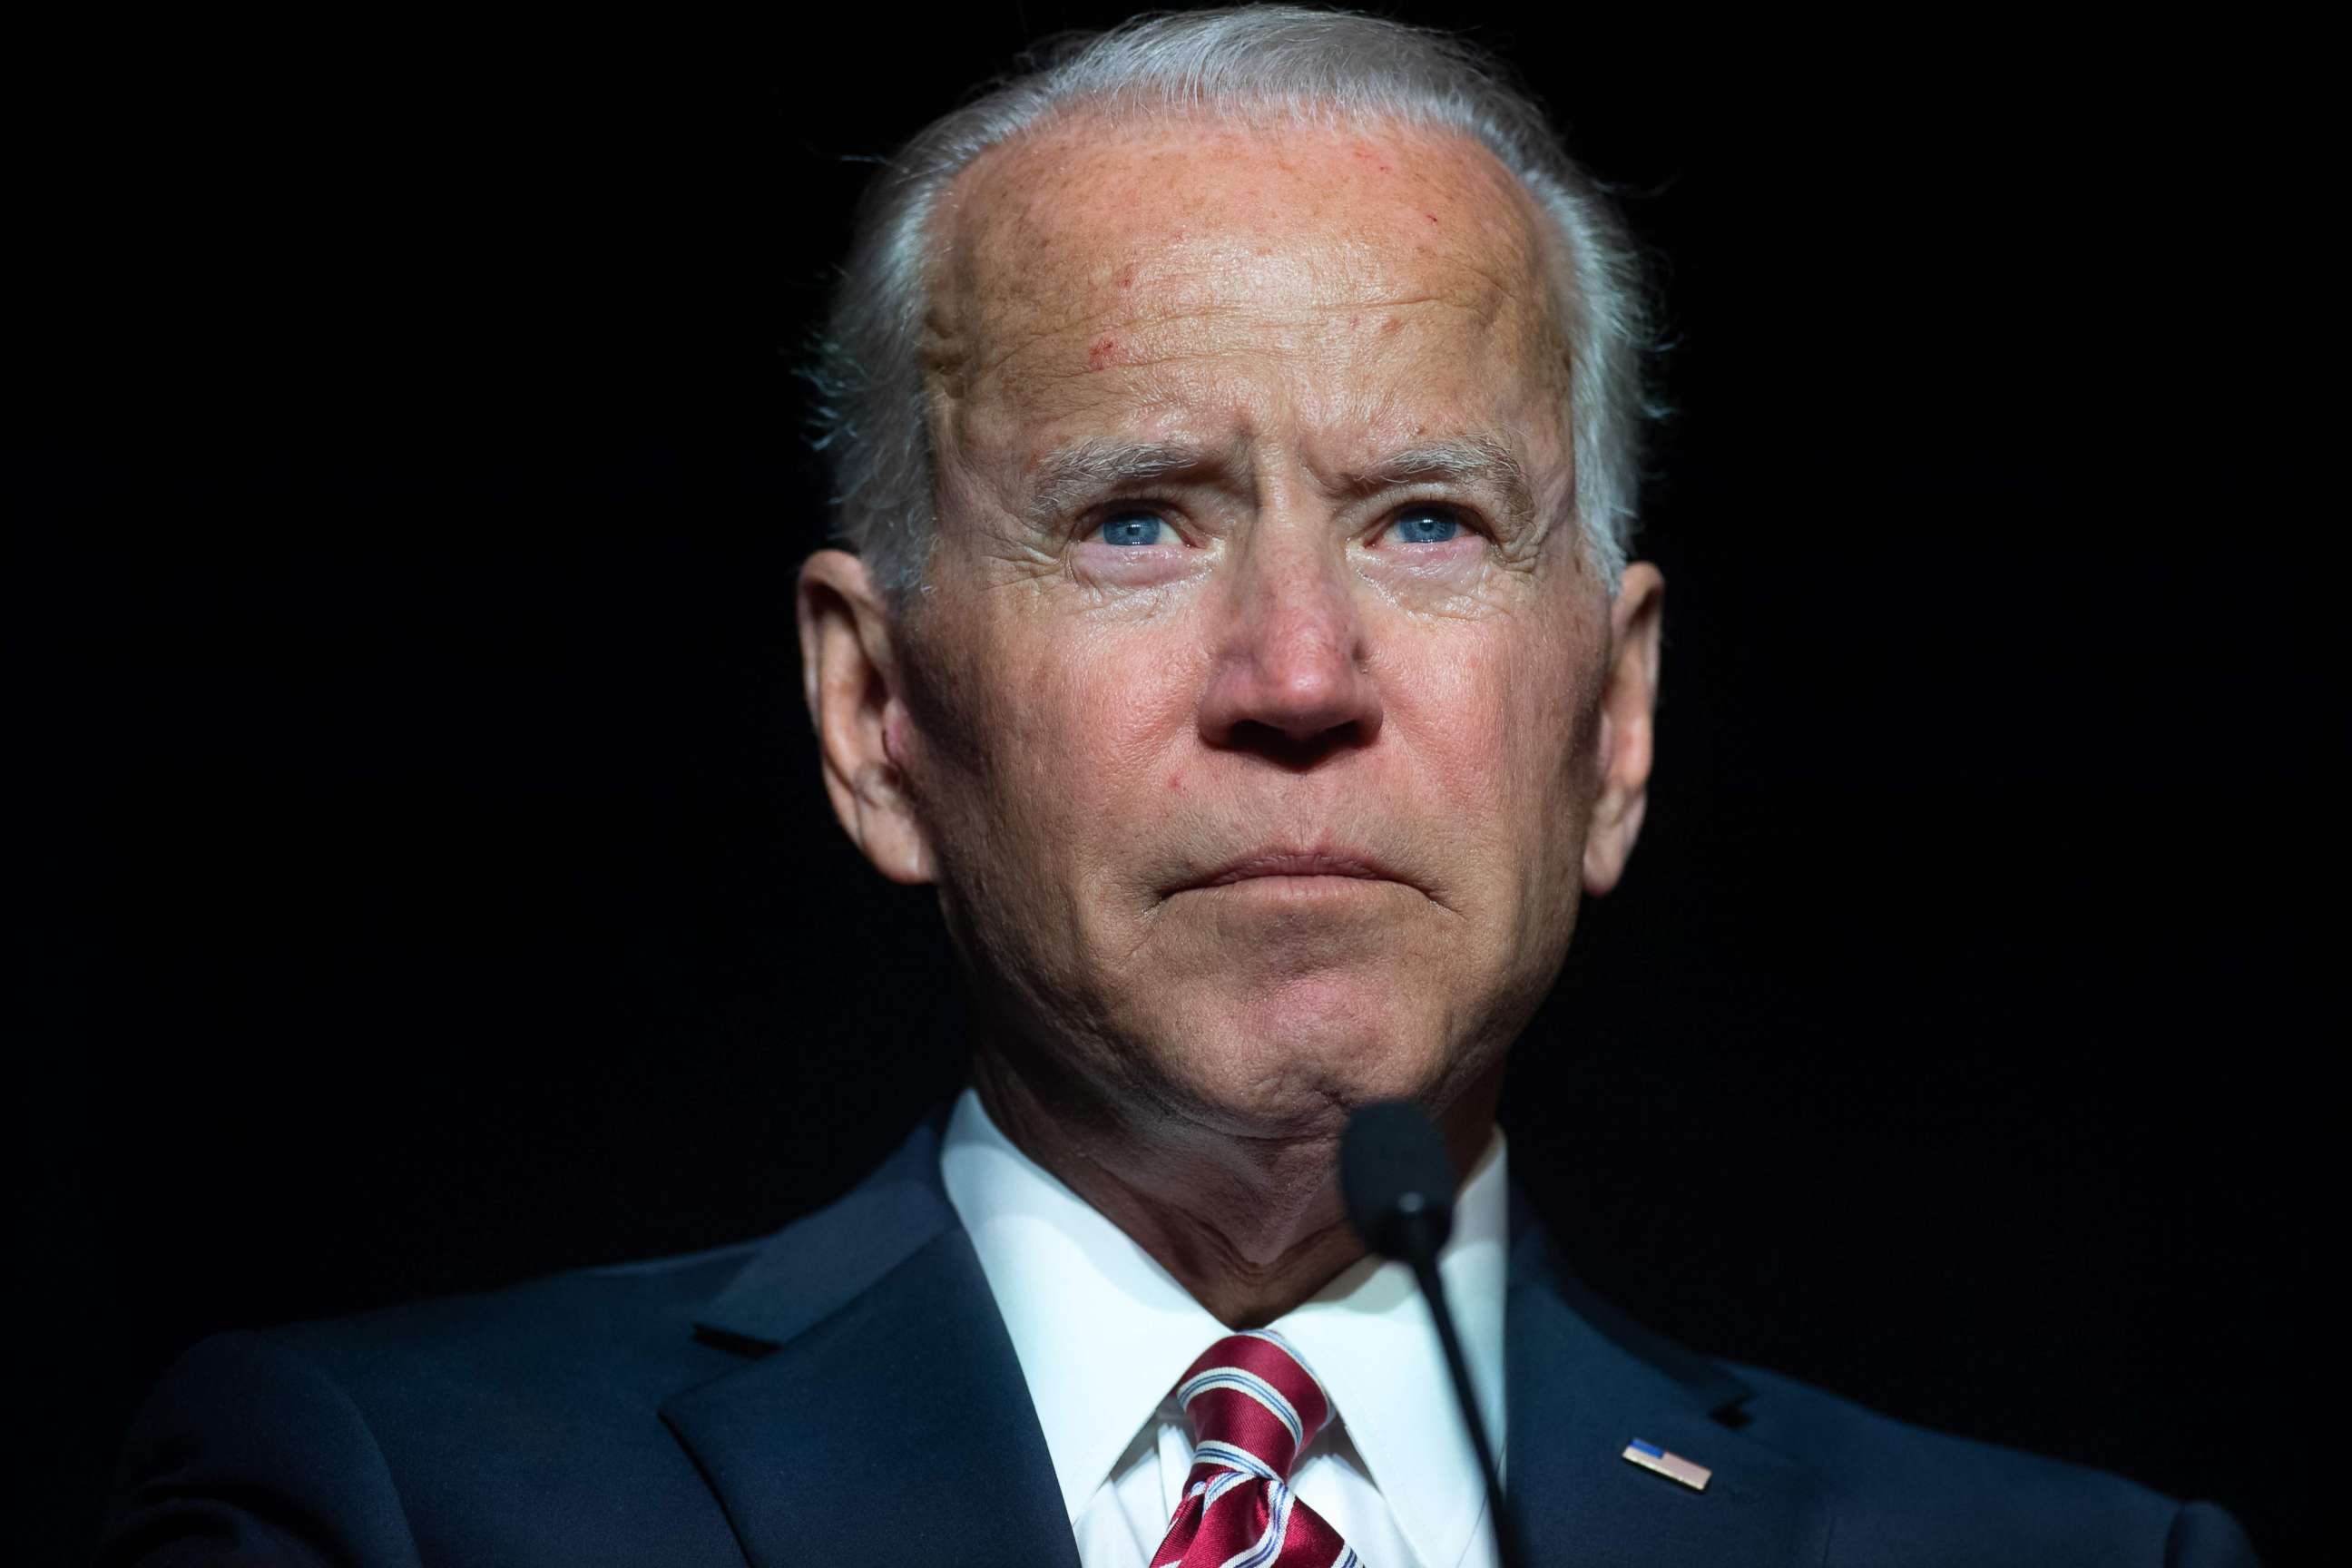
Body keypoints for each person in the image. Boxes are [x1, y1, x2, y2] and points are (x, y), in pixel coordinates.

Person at [97, 8, 2260, 1565]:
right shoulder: (390, 1504)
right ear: (875, 720)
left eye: (1427, 520)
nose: (1299, 676)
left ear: (1612, 728)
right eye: (1139, 519)